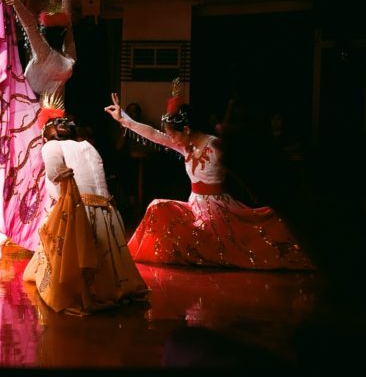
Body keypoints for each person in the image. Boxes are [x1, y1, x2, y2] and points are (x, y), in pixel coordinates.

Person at [104, 79, 313, 270]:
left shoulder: (214, 145)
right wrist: (124, 118)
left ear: (186, 130)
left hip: (219, 209)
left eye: (173, 135)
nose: (172, 141)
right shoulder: (185, 146)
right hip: (196, 207)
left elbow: (242, 167)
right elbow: (154, 135)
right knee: (157, 206)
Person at [0, 0, 76, 265]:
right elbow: (69, 26)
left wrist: (16, 2)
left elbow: (30, 26)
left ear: (46, 34)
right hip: (53, 120)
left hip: (27, 121)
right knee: (43, 182)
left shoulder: (44, 53)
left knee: (15, 181)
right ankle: (46, 238)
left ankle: (5, 240)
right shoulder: (70, 56)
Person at [23, 93, 148, 315]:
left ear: (46, 134)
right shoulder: (89, 146)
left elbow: (56, 176)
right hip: (109, 215)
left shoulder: (51, 147)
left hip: (80, 216)